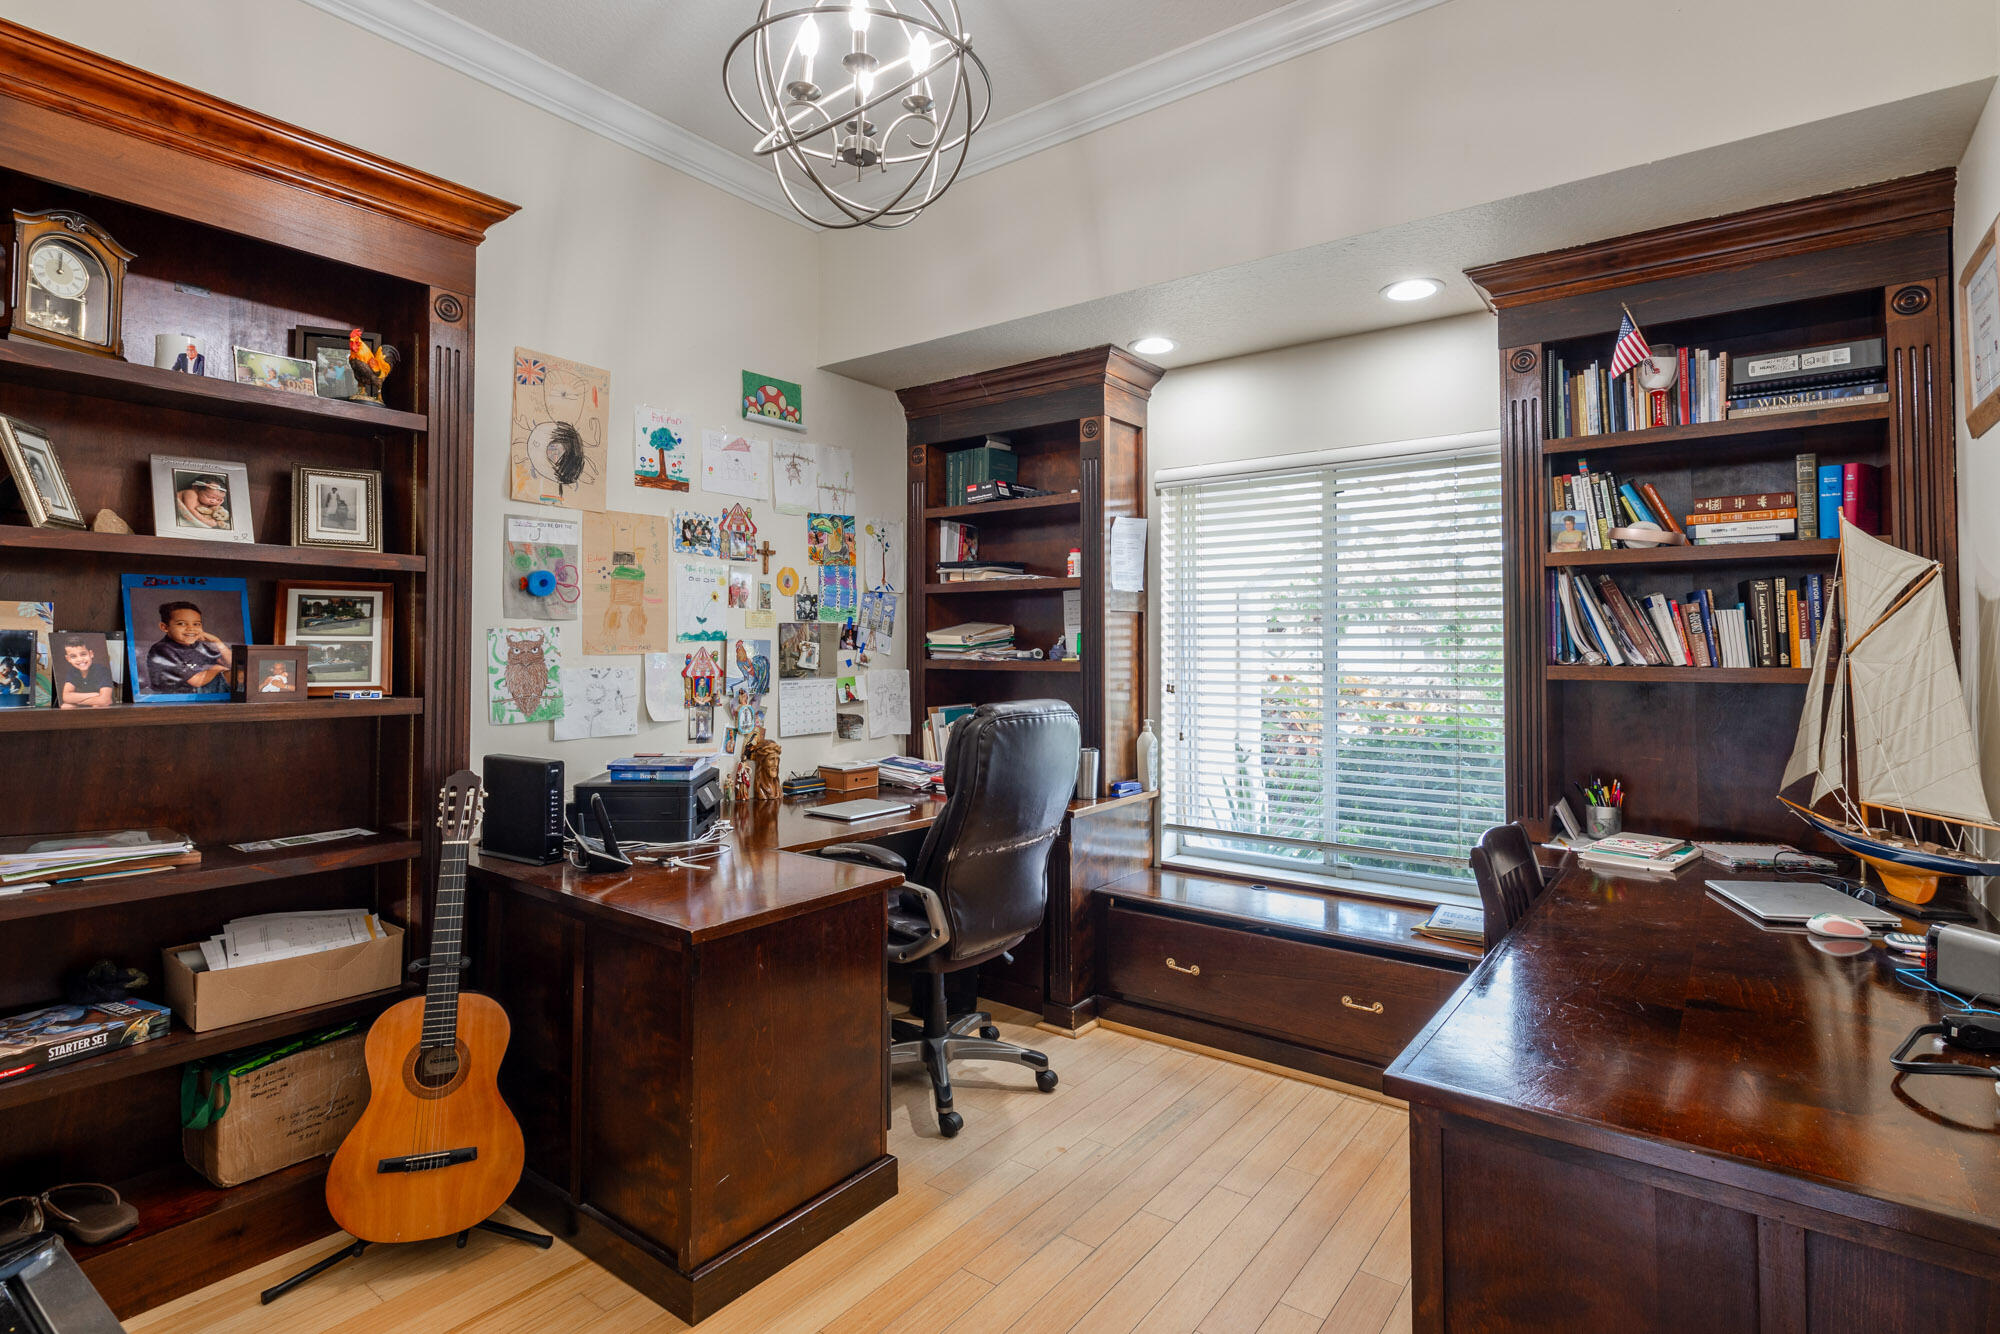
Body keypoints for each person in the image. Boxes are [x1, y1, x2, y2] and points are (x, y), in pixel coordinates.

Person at [145, 601, 231, 694]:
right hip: (175, 696)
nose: (191, 628)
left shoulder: (197, 646)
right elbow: (197, 681)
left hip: (197, 692)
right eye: (181, 623)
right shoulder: (163, 649)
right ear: (165, 627)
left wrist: (217, 641)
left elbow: (230, 663)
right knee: (233, 676)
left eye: (196, 624)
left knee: (238, 674)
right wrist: (217, 668)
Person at [56, 635, 114, 708]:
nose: (80, 659)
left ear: (91, 654)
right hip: (92, 701)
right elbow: (66, 697)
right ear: (68, 659)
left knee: (97, 705)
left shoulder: (102, 670)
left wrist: (77, 701)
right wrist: (95, 694)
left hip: (101, 705)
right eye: (73, 656)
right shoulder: (73, 672)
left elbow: (105, 700)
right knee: (66, 706)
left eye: (83, 654)